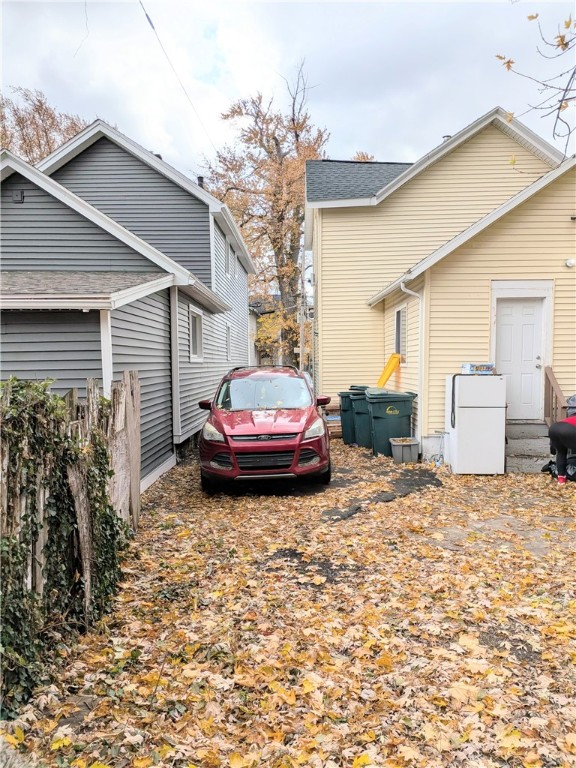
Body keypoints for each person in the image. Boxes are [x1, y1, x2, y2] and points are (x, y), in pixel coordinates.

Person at [548, 414, 576, 485]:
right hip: (570, 430)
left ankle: (561, 479)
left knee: (561, 452)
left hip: (554, 428)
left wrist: (553, 447)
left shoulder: (570, 418)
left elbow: (553, 450)